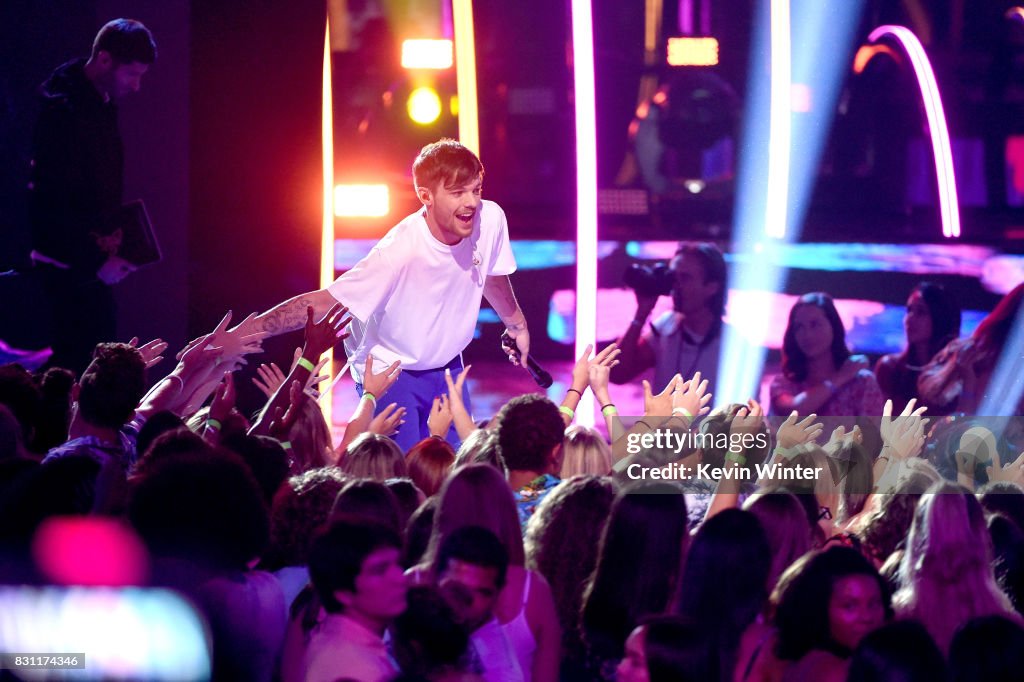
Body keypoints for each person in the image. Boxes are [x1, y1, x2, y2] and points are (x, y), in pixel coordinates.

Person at [245, 139, 529, 450]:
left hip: (447, 367)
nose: (472, 202)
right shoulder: (398, 252)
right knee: (401, 475)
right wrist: (243, 334)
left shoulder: (490, 220)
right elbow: (322, 302)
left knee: (453, 470)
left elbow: (491, 272)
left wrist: (516, 324)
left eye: (476, 190)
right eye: (458, 192)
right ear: (426, 196)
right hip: (390, 372)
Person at [29, 19, 157, 374]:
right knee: (74, 370)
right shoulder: (63, 112)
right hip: (67, 270)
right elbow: (51, 202)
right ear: (104, 60)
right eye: (131, 74)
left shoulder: (98, 104)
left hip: (85, 265)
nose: (136, 86)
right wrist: (95, 260)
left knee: (90, 365)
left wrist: (117, 242)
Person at [611, 242, 728, 394]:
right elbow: (617, 374)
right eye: (673, 277)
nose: (675, 286)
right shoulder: (666, 327)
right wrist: (641, 314)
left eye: (685, 278)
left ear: (712, 287)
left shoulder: (730, 345)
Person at [304, 519, 408, 682]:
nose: (400, 577)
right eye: (380, 570)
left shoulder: (333, 640)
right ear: (343, 593)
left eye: (398, 564)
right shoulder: (356, 668)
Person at [769, 292, 884, 418]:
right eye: (799, 327)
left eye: (815, 325)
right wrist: (839, 378)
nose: (807, 335)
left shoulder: (861, 382)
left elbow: (873, 435)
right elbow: (793, 412)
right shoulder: (784, 383)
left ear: (833, 327)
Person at [437, 526, 524, 681]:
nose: (468, 599)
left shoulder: (502, 673)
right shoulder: (403, 620)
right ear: (436, 578)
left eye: (482, 592)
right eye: (458, 588)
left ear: (498, 593)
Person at [874, 282, 961, 414]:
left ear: (940, 318)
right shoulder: (889, 368)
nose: (910, 319)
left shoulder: (956, 371)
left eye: (921, 312)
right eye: (909, 310)